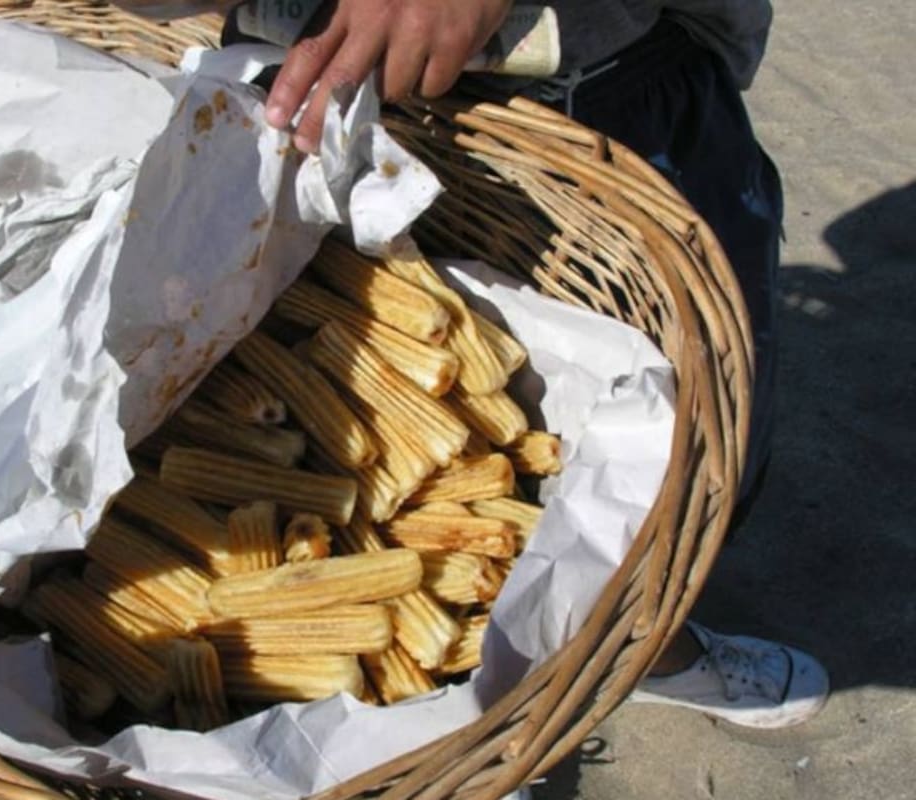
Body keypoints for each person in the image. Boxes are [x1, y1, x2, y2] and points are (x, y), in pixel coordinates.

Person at [135, 0, 830, 729]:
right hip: (310, 82)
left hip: (600, 90)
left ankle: (643, 643)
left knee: (694, 455)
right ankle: (461, 716)